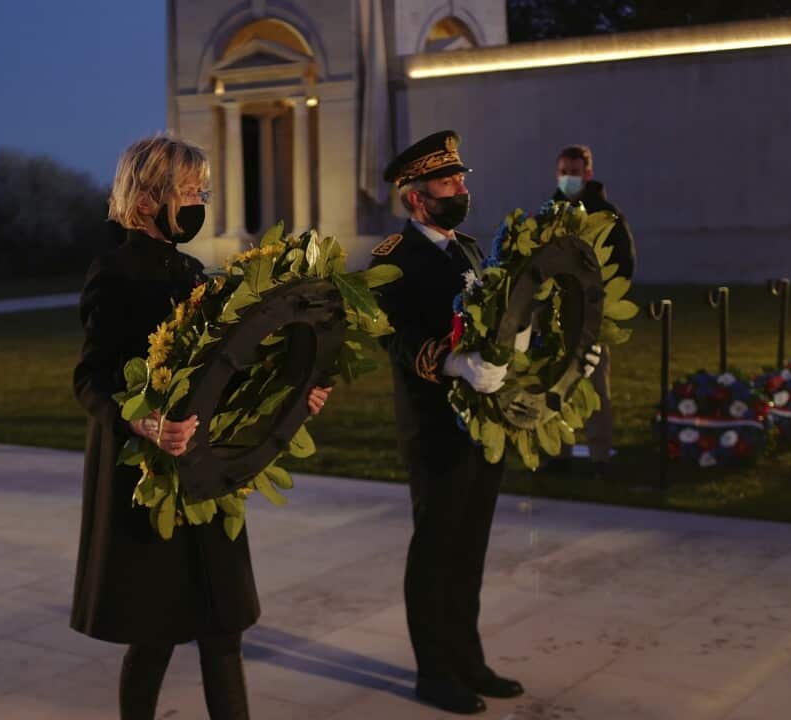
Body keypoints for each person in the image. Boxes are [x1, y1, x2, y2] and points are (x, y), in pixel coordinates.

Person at [70, 134, 331, 720]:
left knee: (223, 627)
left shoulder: (191, 271)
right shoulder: (113, 272)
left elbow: (225, 370)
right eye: (187, 191)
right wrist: (142, 420)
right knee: (154, 633)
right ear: (145, 200)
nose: (197, 202)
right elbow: (91, 378)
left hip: (205, 474)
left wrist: (292, 398)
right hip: (149, 480)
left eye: (200, 192)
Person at [367, 130, 525, 715]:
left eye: (460, 178)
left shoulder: (471, 250)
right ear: (416, 197)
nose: (460, 189)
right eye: (447, 181)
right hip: (433, 425)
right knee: (436, 548)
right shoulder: (391, 259)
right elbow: (395, 336)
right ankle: (433, 672)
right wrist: (452, 362)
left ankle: (468, 658)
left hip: (482, 424)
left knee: (471, 547)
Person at [549, 144, 637, 479]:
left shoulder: (606, 214)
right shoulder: (551, 210)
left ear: (587, 173)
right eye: (563, 172)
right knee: (557, 384)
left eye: (574, 172)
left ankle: (600, 455)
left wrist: (601, 298)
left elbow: (624, 263)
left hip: (592, 312)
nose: (568, 178)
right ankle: (558, 453)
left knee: (595, 384)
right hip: (557, 314)